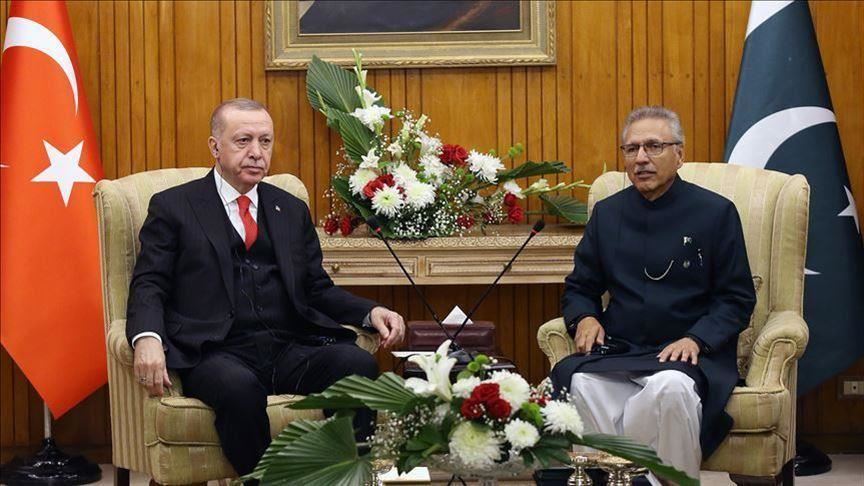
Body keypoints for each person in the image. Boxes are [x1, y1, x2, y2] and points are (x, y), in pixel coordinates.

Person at [126, 98, 405, 476]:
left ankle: (345, 477)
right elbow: (150, 282)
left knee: (357, 365)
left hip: (288, 347)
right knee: (239, 390)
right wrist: (147, 337)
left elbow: (316, 288)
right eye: (243, 141)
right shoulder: (174, 207)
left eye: (265, 141)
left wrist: (370, 312)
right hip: (216, 352)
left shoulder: (289, 209)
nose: (257, 152)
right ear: (215, 147)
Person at [550, 106, 756, 484]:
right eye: (631, 149)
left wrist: (696, 338)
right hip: (622, 349)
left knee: (669, 388)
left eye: (653, 146)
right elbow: (581, 286)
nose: (641, 158)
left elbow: (736, 298)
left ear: (679, 155)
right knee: (581, 384)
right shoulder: (608, 214)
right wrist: (585, 317)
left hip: (688, 354)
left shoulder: (716, 212)